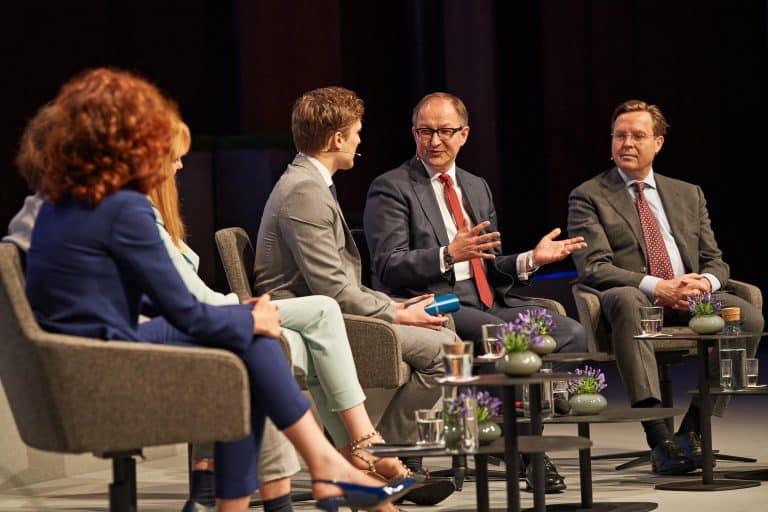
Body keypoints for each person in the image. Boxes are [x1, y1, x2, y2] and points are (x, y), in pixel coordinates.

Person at [24, 67, 413, 512]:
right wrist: (248, 316)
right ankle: (322, 464)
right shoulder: (123, 208)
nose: (175, 161)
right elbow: (185, 313)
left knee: (249, 343)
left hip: (73, 354)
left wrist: (243, 318)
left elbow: (144, 297)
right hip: (102, 358)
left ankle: (298, 475)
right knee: (250, 336)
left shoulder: (66, 204)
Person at [150, 120, 411, 512]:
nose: (182, 166)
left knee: (281, 345)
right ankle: (348, 454)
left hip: (199, 313)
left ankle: (337, 462)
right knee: (305, 320)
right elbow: (186, 302)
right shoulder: (133, 216)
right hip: (168, 329)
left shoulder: (143, 214)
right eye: (175, 157)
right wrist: (243, 313)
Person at [363, 92, 589, 492]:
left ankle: (510, 436)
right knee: (505, 339)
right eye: (425, 131)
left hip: (488, 301)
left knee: (569, 331)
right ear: (413, 134)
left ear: (464, 134)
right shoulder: (392, 187)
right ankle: (525, 452)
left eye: (445, 131)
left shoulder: (475, 186)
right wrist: (447, 254)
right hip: (437, 303)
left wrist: (530, 259)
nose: (434, 141)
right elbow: (387, 266)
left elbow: (489, 264)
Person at [253, 86, 457, 506]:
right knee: (447, 349)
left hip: (332, 311)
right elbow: (331, 291)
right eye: (357, 133)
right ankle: (385, 455)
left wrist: (396, 306)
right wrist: (397, 314)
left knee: (444, 328)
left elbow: (338, 283)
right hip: (312, 323)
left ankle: (371, 462)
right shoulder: (304, 191)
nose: (360, 141)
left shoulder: (311, 183)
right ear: (336, 139)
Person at [567, 99, 764, 475]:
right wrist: (659, 287)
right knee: (628, 300)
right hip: (636, 296)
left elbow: (715, 260)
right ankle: (659, 438)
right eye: (619, 135)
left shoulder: (688, 194)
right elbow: (594, 267)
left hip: (692, 297)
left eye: (637, 136)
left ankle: (693, 429)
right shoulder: (589, 195)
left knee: (749, 318)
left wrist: (703, 282)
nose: (627, 143)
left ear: (658, 143)